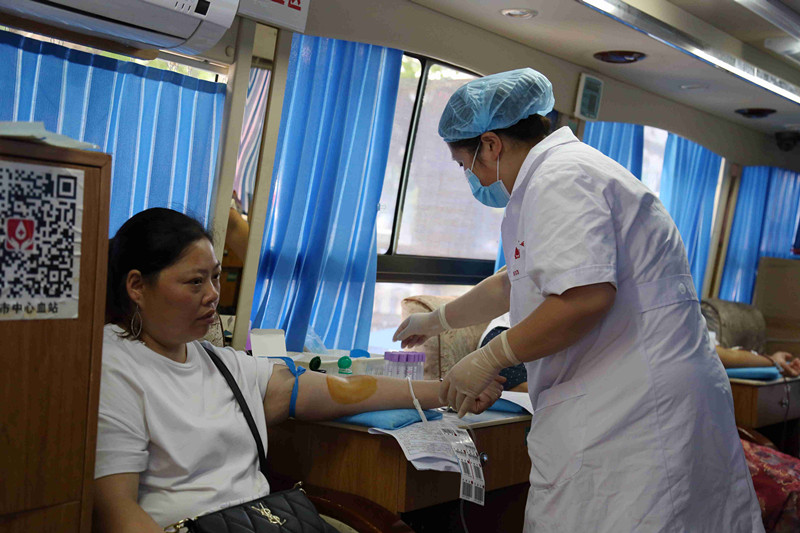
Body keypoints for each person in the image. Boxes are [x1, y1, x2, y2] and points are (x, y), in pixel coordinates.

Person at [393, 68, 764, 532]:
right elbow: (512, 282)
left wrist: (489, 358)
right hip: (630, 399)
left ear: (490, 144)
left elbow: (584, 299)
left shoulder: (561, 179)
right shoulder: (557, 176)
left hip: (634, 410)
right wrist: (435, 321)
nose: (471, 177)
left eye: (466, 165)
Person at [93, 208, 504, 532]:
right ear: (136, 286)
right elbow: (116, 511)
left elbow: (335, 388)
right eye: (195, 282)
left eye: (215, 278)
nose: (213, 295)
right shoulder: (114, 368)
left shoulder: (217, 362)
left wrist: (447, 389)